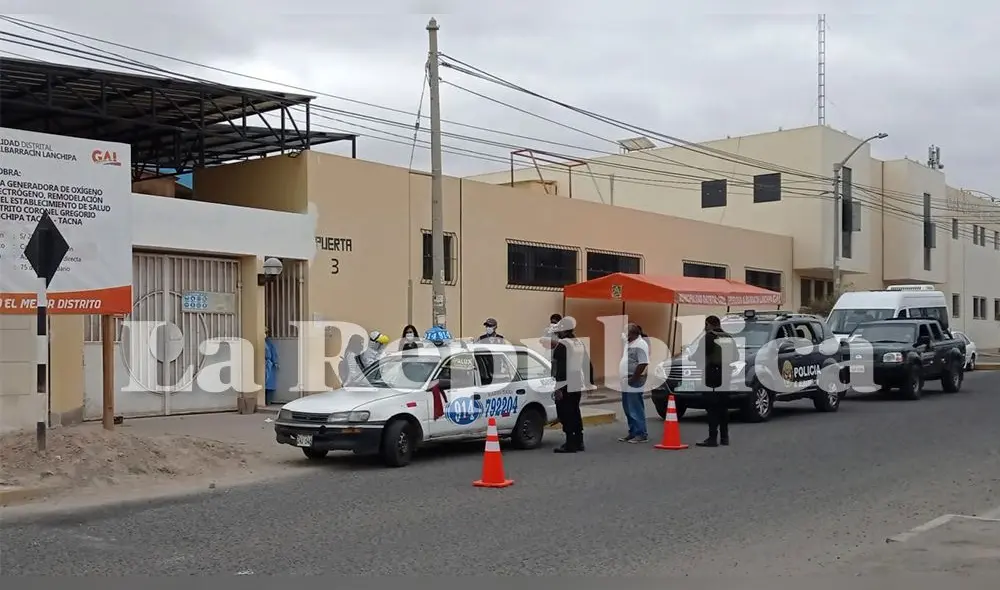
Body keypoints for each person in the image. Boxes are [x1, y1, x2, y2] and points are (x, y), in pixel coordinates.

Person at [692, 315, 735, 448]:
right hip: (726, 375)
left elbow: (699, 355)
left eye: (705, 325)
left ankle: (712, 438)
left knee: (712, 407)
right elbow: (736, 356)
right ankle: (724, 437)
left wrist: (692, 357)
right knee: (723, 407)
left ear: (708, 324)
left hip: (711, 376)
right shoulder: (728, 337)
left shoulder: (709, 337)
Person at [550, 316, 591, 453]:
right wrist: (589, 381)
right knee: (575, 411)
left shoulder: (563, 345)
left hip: (565, 382)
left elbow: (561, 368)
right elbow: (587, 363)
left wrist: (558, 387)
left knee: (565, 412)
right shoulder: (579, 343)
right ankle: (579, 441)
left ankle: (570, 443)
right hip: (576, 380)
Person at [619, 322, 650, 443]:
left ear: (632, 333)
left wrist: (633, 379)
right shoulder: (629, 343)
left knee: (635, 407)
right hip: (626, 379)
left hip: (634, 379)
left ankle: (641, 433)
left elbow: (643, 363)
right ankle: (633, 431)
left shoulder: (640, 344)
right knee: (627, 407)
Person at [264, 327, 278, 405]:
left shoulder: (269, 343)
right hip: (261, 365)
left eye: (266, 333)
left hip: (268, 365)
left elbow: (273, 353)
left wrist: (275, 362)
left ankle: (268, 401)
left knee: (269, 384)